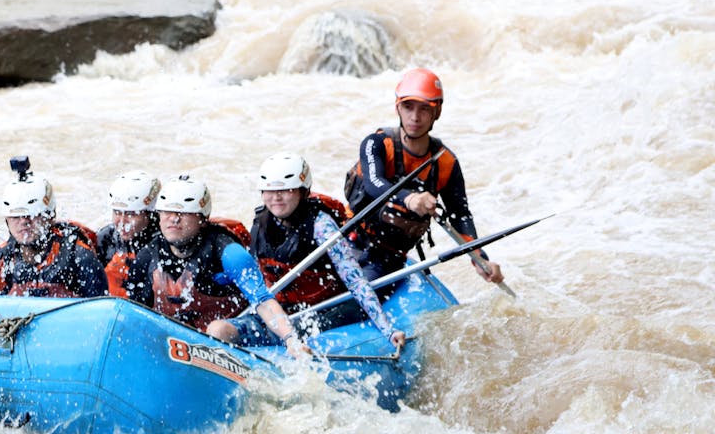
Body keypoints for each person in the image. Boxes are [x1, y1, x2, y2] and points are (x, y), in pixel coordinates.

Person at [209, 153, 405, 350]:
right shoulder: (260, 223)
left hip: (321, 312)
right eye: (270, 190)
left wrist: (388, 330)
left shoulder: (321, 225)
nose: (276, 197)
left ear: (303, 191)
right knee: (218, 330)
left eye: (286, 190)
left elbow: (355, 280)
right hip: (277, 311)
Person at [345, 67, 504, 288]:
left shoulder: (446, 163)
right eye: (408, 107)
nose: (415, 117)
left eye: (424, 109)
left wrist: (479, 258)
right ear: (397, 108)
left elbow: (460, 216)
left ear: (436, 112)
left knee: (361, 296)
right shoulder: (377, 144)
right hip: (346, 239)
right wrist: (410, 199)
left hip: (385, 258)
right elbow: (374, 184)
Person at [124, 176, 311, 360]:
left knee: (217, 329)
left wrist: (290, 339)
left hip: (239, 328)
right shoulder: (147, 255)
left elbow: (263, 301)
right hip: (185, 341)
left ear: (202, 219)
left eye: (184, 213)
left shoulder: (227, 251)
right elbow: (135, 311)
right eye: (167, 212)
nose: (174, 219)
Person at [0, 168, 108, 298]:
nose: (23, 222)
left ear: (50, 216)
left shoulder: (79, 259)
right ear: (6, 220)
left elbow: (102, 315)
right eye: (15, 217)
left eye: (31, 215)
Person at [95, 171, 161, 298]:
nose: (122, 222)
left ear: (149, 213)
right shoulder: (106, 238)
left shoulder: (164, 245)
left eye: (132, 214)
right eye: (117, 212)